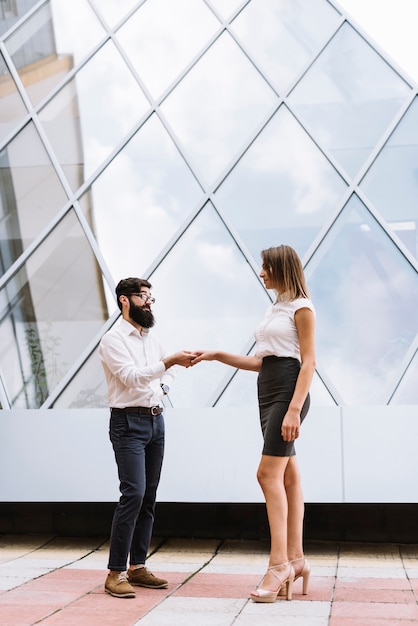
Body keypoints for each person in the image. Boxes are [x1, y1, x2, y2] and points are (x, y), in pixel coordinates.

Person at [191, 245, 315, 603]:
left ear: (280, 268)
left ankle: (279, 566)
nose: (261, 273)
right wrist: (216, 354)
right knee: (289, 477)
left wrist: (293, 410)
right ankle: (297, 559)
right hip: (268, 391)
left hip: (288, 394)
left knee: (266, 475)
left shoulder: (302, 308)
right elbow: (263, 362)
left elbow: (308, 363)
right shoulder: (276, 307)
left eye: (265, 267)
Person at [98, 277, 196, 599]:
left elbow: (167, 372)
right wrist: (165, 365)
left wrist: (162, 385)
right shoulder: (112, 340)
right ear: (125, 301)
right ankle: (115, 573)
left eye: (151, 297)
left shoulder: (151, 339)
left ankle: (138, 567)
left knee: (149, 497)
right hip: (127, 423)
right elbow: (130, 377)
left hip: (156, 422)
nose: (149, 302)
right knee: (133, 494)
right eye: (143, 297)